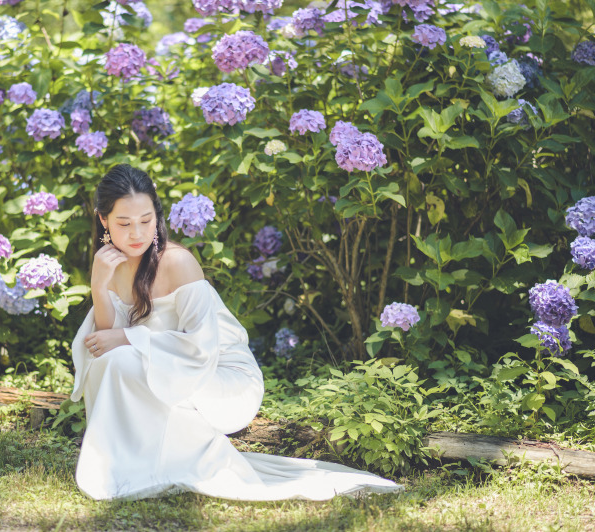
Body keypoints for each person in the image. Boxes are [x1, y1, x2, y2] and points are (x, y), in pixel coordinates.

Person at [70, 163, 403, 501]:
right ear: (103, 220)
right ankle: (127, 461)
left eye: (146, 221)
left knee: (123, 359)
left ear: (157, 216)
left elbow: (202, 347)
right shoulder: (108, 262)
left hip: (220, 375)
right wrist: (99, 285)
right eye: (124, 224)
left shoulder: (176, 262)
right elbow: (103, 343)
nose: (137, 234)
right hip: (162, 365)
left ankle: (161, 461)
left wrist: (129, 338)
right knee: (108, 364)